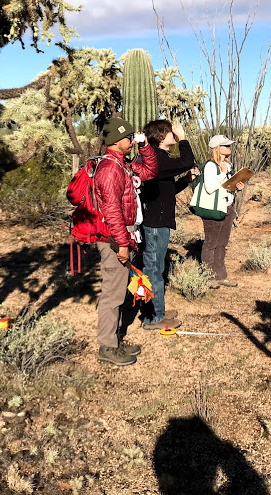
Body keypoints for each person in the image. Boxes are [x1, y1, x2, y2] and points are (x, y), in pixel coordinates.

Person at [93, 118, 158, 366]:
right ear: (116, 141)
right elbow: (111, 211)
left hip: (124, 236)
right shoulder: (110, 170)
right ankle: (107, 347)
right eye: (129, 138)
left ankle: (115, 339)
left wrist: (144, 147)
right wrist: (122, 244)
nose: (132, 140)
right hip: (114, 239)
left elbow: (150, 171)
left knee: (119, 292)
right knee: (112, 295)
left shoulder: (123, 165)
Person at [139, 120, 199, 330]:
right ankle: (153, 318)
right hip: (154, 224)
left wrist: (185, 180)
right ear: (160, 136)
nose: (174, 133)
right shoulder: (156, 158)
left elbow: (167, 191)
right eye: (170, 131)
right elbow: (186, 160)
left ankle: (157, 310)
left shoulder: (159, 160)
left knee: (156, 269)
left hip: (158, 221)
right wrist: (183, 137)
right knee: (153, 270)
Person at [200, 135, 244, 289]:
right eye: (225, 146)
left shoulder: (228, 165)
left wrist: (236, 186)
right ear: (217, 148)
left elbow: (225, 187)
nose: (229, 148)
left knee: (222, 243)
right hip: (213, 208)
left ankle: (221, 275)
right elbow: (210, 187)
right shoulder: (210, 166)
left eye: (229, 145)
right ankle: (208, 276)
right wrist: (223, 173)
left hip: (228, 207)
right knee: (211, 242)